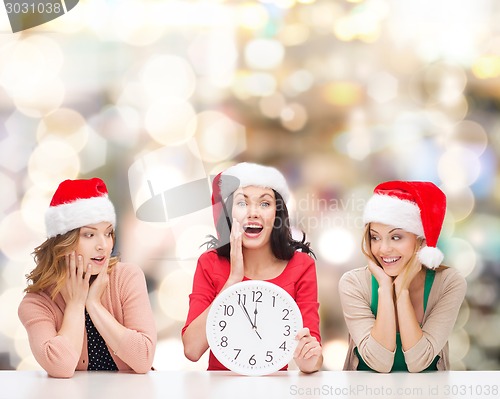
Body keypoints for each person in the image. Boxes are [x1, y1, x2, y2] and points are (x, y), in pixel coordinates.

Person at [182, 162, 323, 373]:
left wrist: (309, 360)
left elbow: (313, 356)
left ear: (277, 214)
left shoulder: (301, 266)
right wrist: (232, 282)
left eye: (265, 204)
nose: (253, 213)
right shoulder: (209, 263)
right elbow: (192, 350)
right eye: (242, 203)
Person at [18, 178, 156, 378]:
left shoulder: (126, 277)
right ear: (64, 242)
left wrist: (93, 304)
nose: (103, 245)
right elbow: (61, 367)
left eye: (108, 233)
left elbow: (143, 359)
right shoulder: (37, 303)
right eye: (89, 235)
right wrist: (76, 304)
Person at [339, 181, 467, 372]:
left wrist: (402, 290)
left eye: (396, 237)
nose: (383, 249)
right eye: (375, 237)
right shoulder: (353, 283)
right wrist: (384, 287)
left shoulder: (448, 283)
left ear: (421, 240)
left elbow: (418, 362)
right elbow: (379, 363)